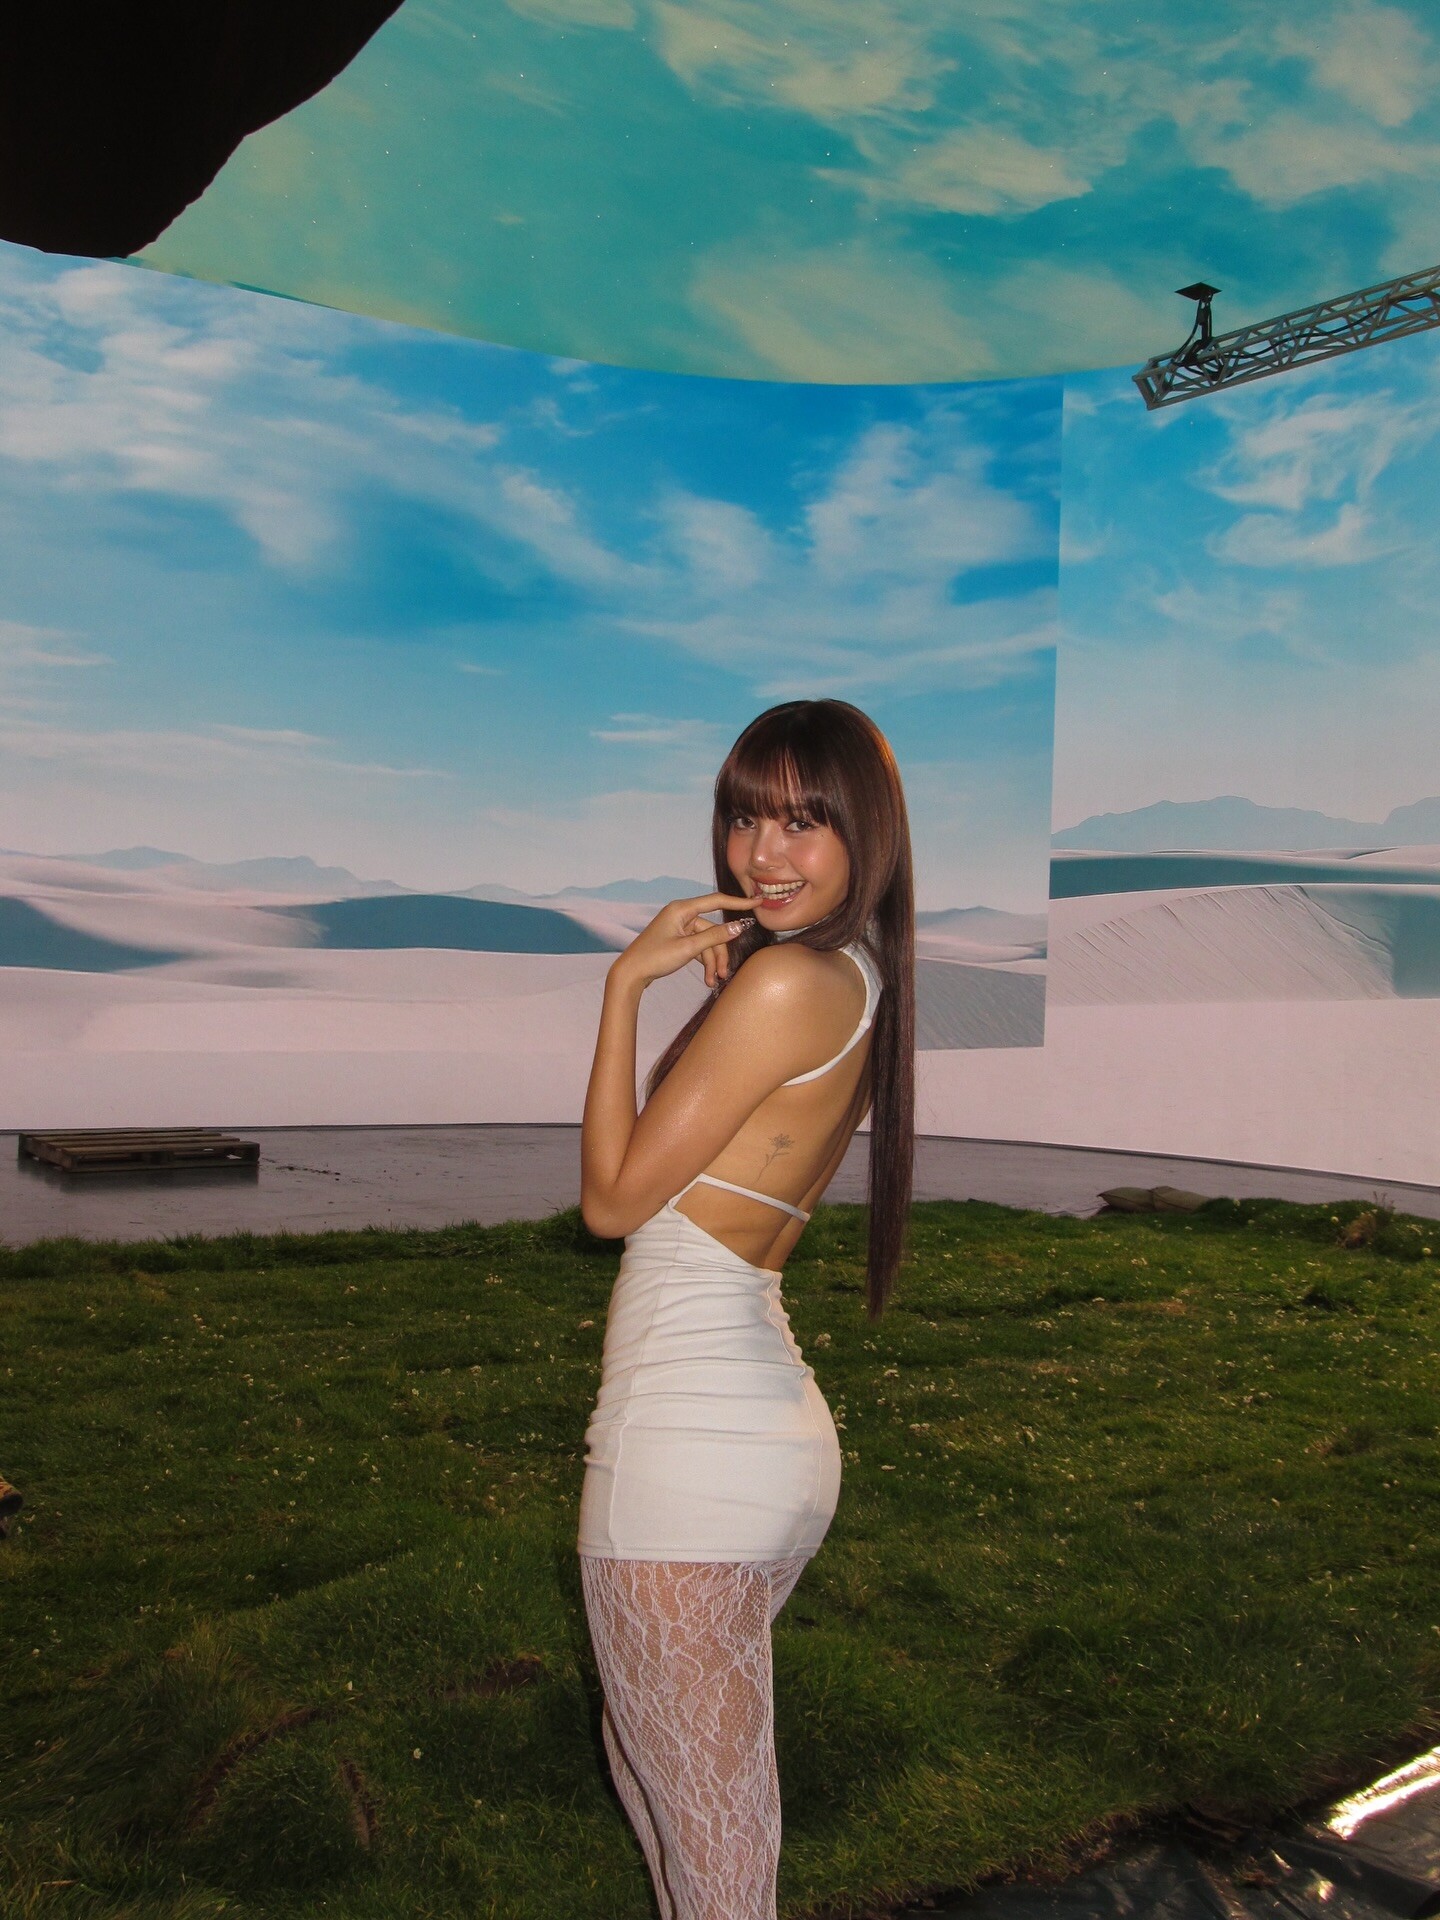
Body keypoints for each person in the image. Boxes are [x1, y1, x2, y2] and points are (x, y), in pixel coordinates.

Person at [577, 698, 916, 1919]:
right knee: (661, 1796)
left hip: (687, 1463)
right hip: (755, 1442)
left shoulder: (788, 986)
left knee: (720, 1884)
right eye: (743, 818)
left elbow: (612, 1200)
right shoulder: (855, 978)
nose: (763, 854)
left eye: (802, 822)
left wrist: (625, 987)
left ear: (865, 833)